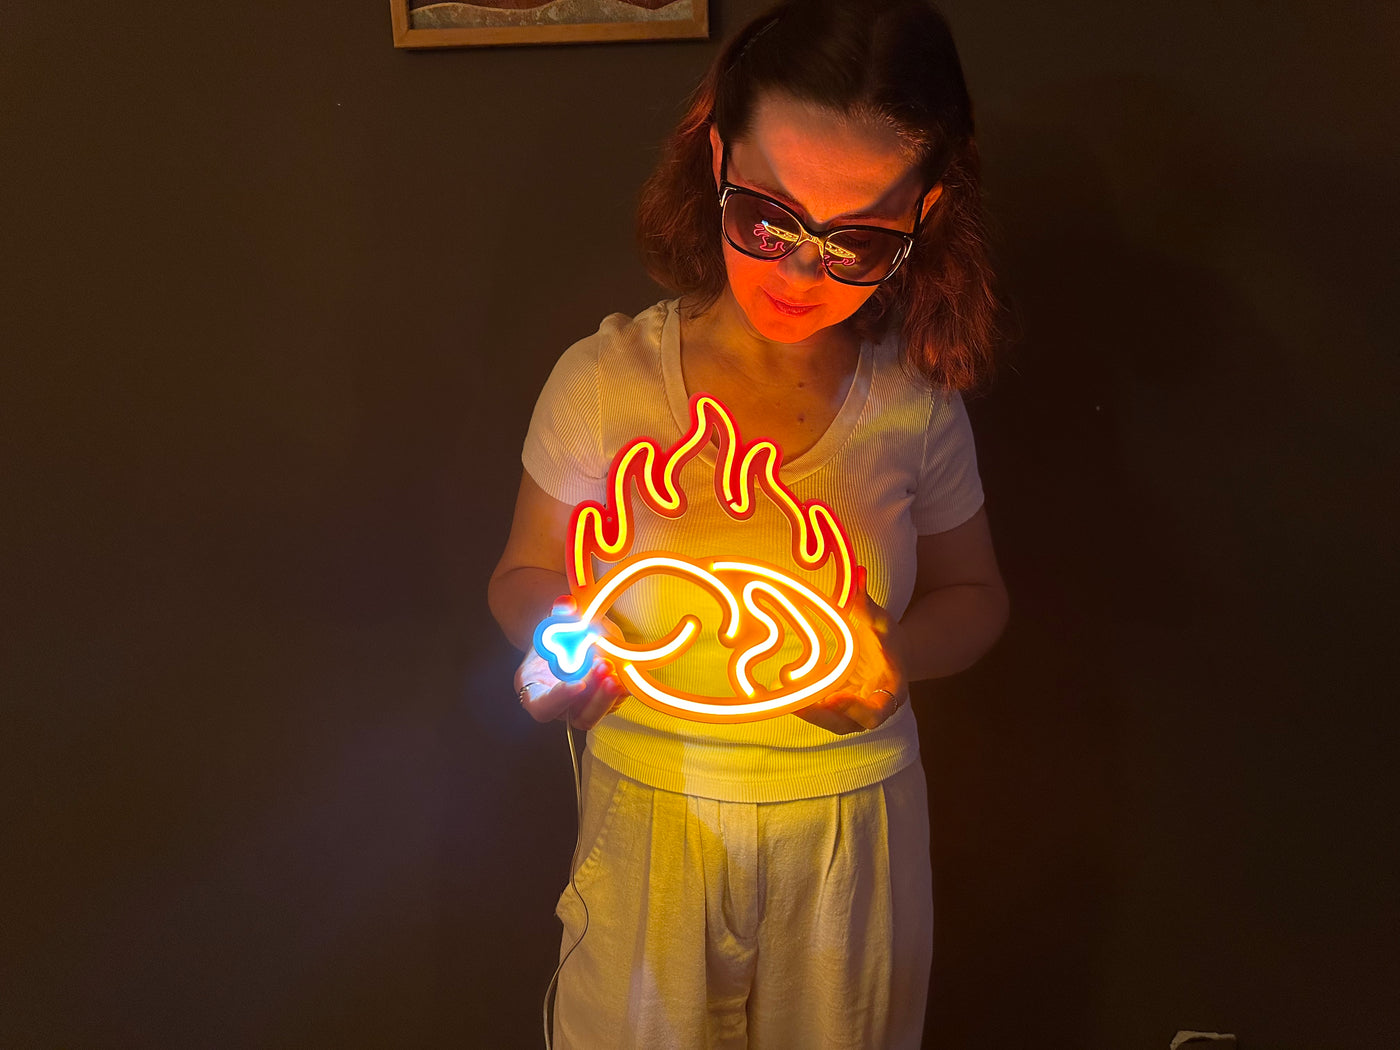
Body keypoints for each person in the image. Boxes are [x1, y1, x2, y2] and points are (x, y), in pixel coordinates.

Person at [487, 1, 1009, 1045]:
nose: (799, 272)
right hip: (648, 816)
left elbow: (977, 598)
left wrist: (892, 656)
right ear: (718, 158)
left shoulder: (910, 405)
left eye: (857, 239)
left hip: (845, 831)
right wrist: (558, 647)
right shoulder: (604, 383)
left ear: (921, 217)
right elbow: (523, 575)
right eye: (766, 220)